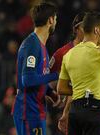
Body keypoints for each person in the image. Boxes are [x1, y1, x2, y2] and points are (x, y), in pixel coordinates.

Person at [11, 2, 58, 135]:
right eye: (55, 19)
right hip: (28, 111)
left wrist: (50, 92)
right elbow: (28, 80)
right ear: (50, 20)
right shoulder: (32, 45)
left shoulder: (41, 45)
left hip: (36, 110)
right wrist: (56, 75)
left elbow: (38, 77)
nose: (55, 22)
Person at [49, 12, 86, 135]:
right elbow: (47, 79)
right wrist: (54, 95)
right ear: (76, 29)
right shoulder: (62, 53)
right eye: (85, 26)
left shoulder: (97, 51)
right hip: (69, 113)